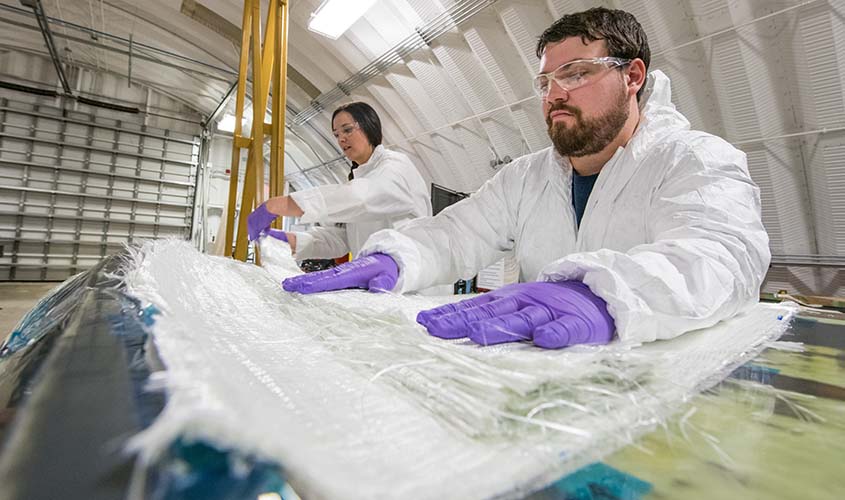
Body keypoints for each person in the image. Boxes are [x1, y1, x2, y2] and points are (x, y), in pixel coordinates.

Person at [282, 7, 770, 350]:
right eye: (544, 82)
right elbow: (456, 233)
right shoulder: (529, 177)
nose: (554, 94)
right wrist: (398, 256)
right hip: (552, 392)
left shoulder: (695, 161)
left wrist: (602, 294)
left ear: (633, 75)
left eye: (576, 73)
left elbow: (723, 259)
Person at [246, 101, 431, 275]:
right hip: (380, 287)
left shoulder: (396, 166)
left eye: (348, 130)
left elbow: (362, 198)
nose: (341, 139)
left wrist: (279, 205)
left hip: (412, 285)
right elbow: (341, 239)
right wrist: (288, 242)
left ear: (369, 127)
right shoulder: (360, 179)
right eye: (336, 135)